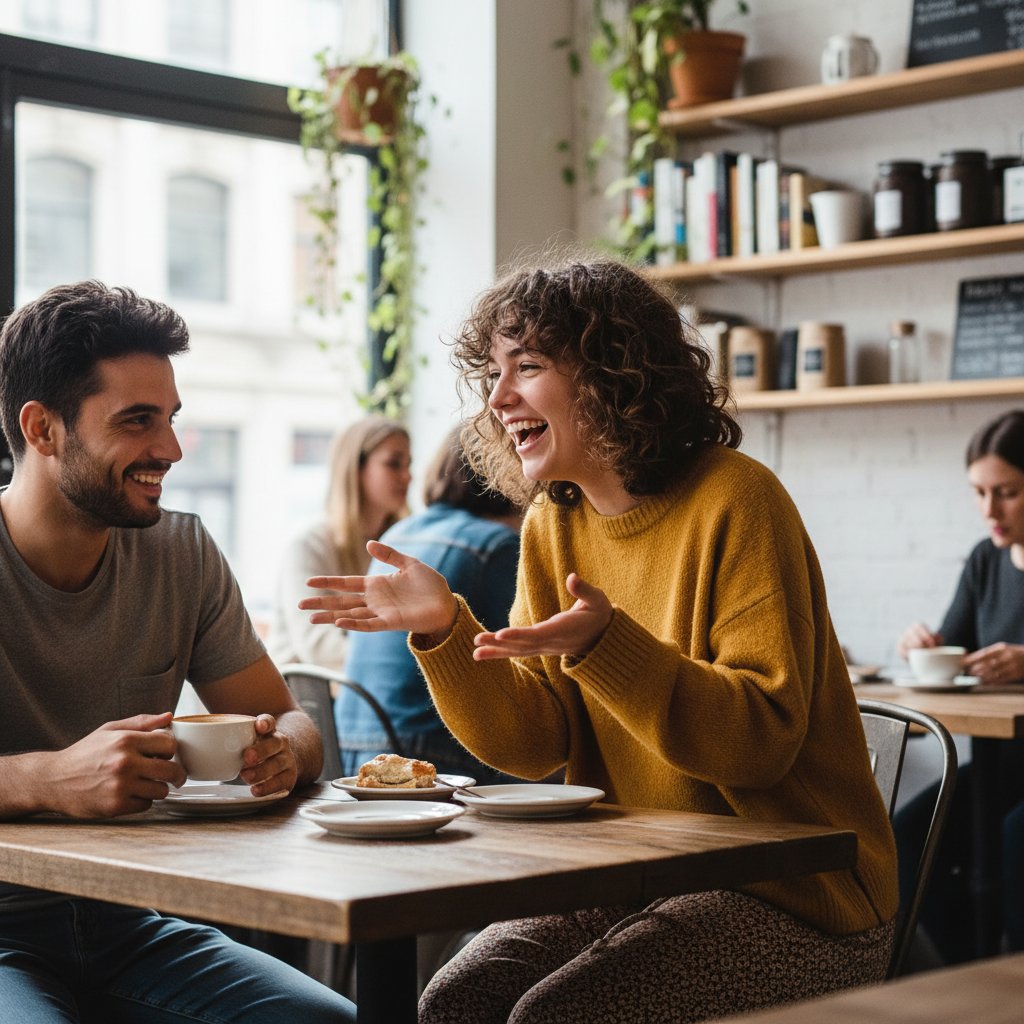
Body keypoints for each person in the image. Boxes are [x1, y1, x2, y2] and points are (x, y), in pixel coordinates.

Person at [300, 256, 899, 1024]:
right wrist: (446, 628)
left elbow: (759, 744)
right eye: (493, 372)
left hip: (800, 892)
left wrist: (609, 647)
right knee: (455, 1002)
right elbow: (533, 743)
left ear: (614, 372)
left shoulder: (738, 499)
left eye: (529, 366)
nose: (499, 396)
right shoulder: (555, 520)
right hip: (633, 875)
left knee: (557, 1017)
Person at [0, 280, 356, 1024]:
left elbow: (295, 726)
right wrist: (47, 779)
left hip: (131, 918)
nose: (170, 449)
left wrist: (283, 753)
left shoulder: (181, 550)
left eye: (170, 418)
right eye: (137, 421)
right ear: (42, 429)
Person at [895, 408, 1024, 964]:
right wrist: (922, 646)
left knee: (1015, 842)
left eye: (1008, 492)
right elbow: (955, 648)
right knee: (903, 836)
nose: (989, 511)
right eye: (978, 492)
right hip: (999, 761)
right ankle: (960, 968)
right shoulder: (985, 561)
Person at [338, 425, 522, 781]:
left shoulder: (399, 534)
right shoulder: (498, 546)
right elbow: (521, 674)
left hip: (350, 747)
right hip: (429, 756)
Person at [267, 415, 410, 670]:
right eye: (394, 464)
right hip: (307, 701)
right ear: (354, 469)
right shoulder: (307, 545)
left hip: (365, 693)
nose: (408, 476)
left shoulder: (398, 546)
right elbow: (318, 646)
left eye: (408, 465)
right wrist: (399, 664)